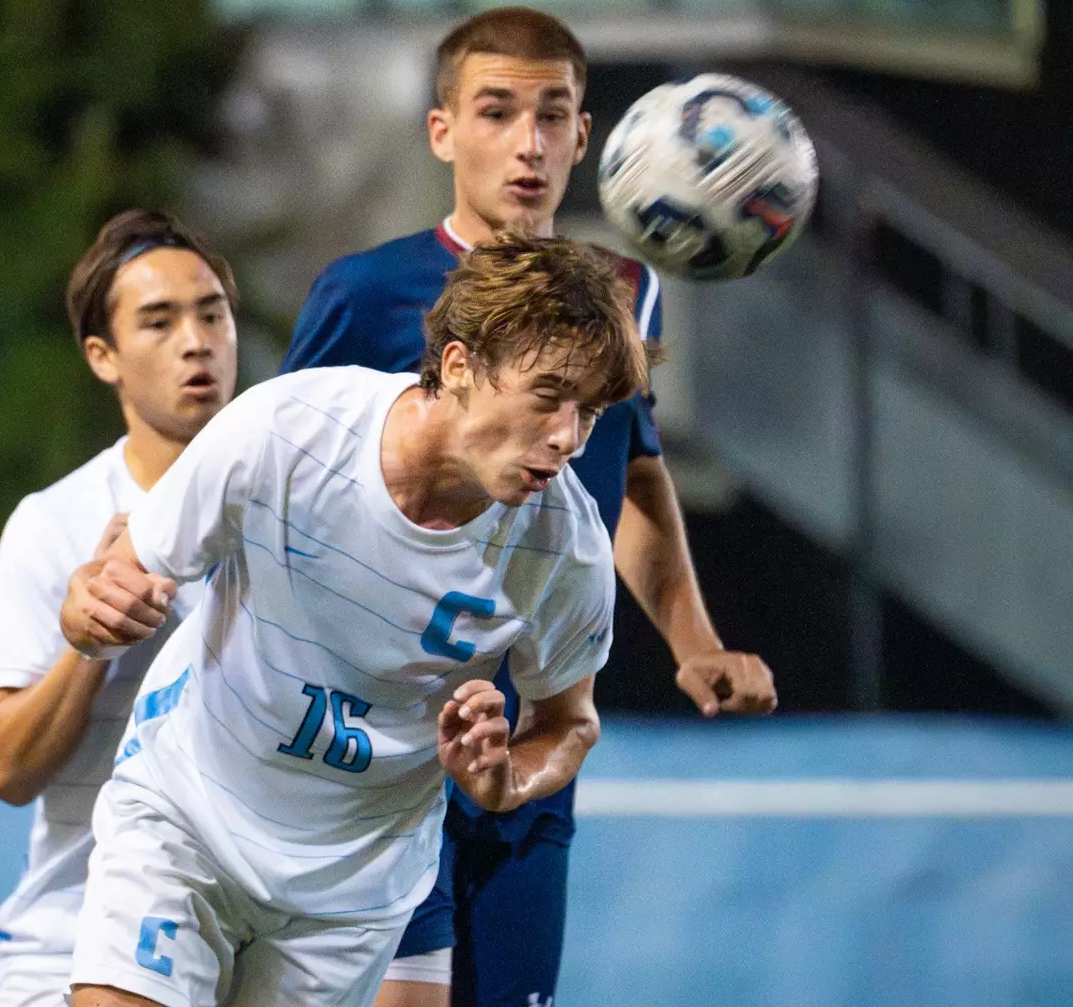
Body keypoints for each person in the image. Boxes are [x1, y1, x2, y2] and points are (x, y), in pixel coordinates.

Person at [279, 5, 778, 1007]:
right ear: (442, 131)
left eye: (553, 116)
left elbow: (634, 474)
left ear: (587, 137)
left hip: (535, 742)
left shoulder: (623, 294)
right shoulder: (367, 293)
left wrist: (695, 642)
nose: (529, 143)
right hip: (387, 750)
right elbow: (281, 488)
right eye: (497, 111)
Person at [55, 235, 648, 1007]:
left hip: (353, 890)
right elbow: (112, 581)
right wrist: (89, 612)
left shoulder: (564, 546)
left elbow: (569, 723)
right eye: (547, 395)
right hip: (186, 820)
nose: (568, 438)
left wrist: (507, 779)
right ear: (459, 365)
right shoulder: (285, 431)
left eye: (589, 412)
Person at [0, 209, 239, 1007]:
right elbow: (7, 769)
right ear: (103, 356)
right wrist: (86, 646)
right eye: (158, 322)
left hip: (258, 951)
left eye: (212, 314)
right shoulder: (55, 522)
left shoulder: (299, 510)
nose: (196, 342)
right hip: (76, 948)